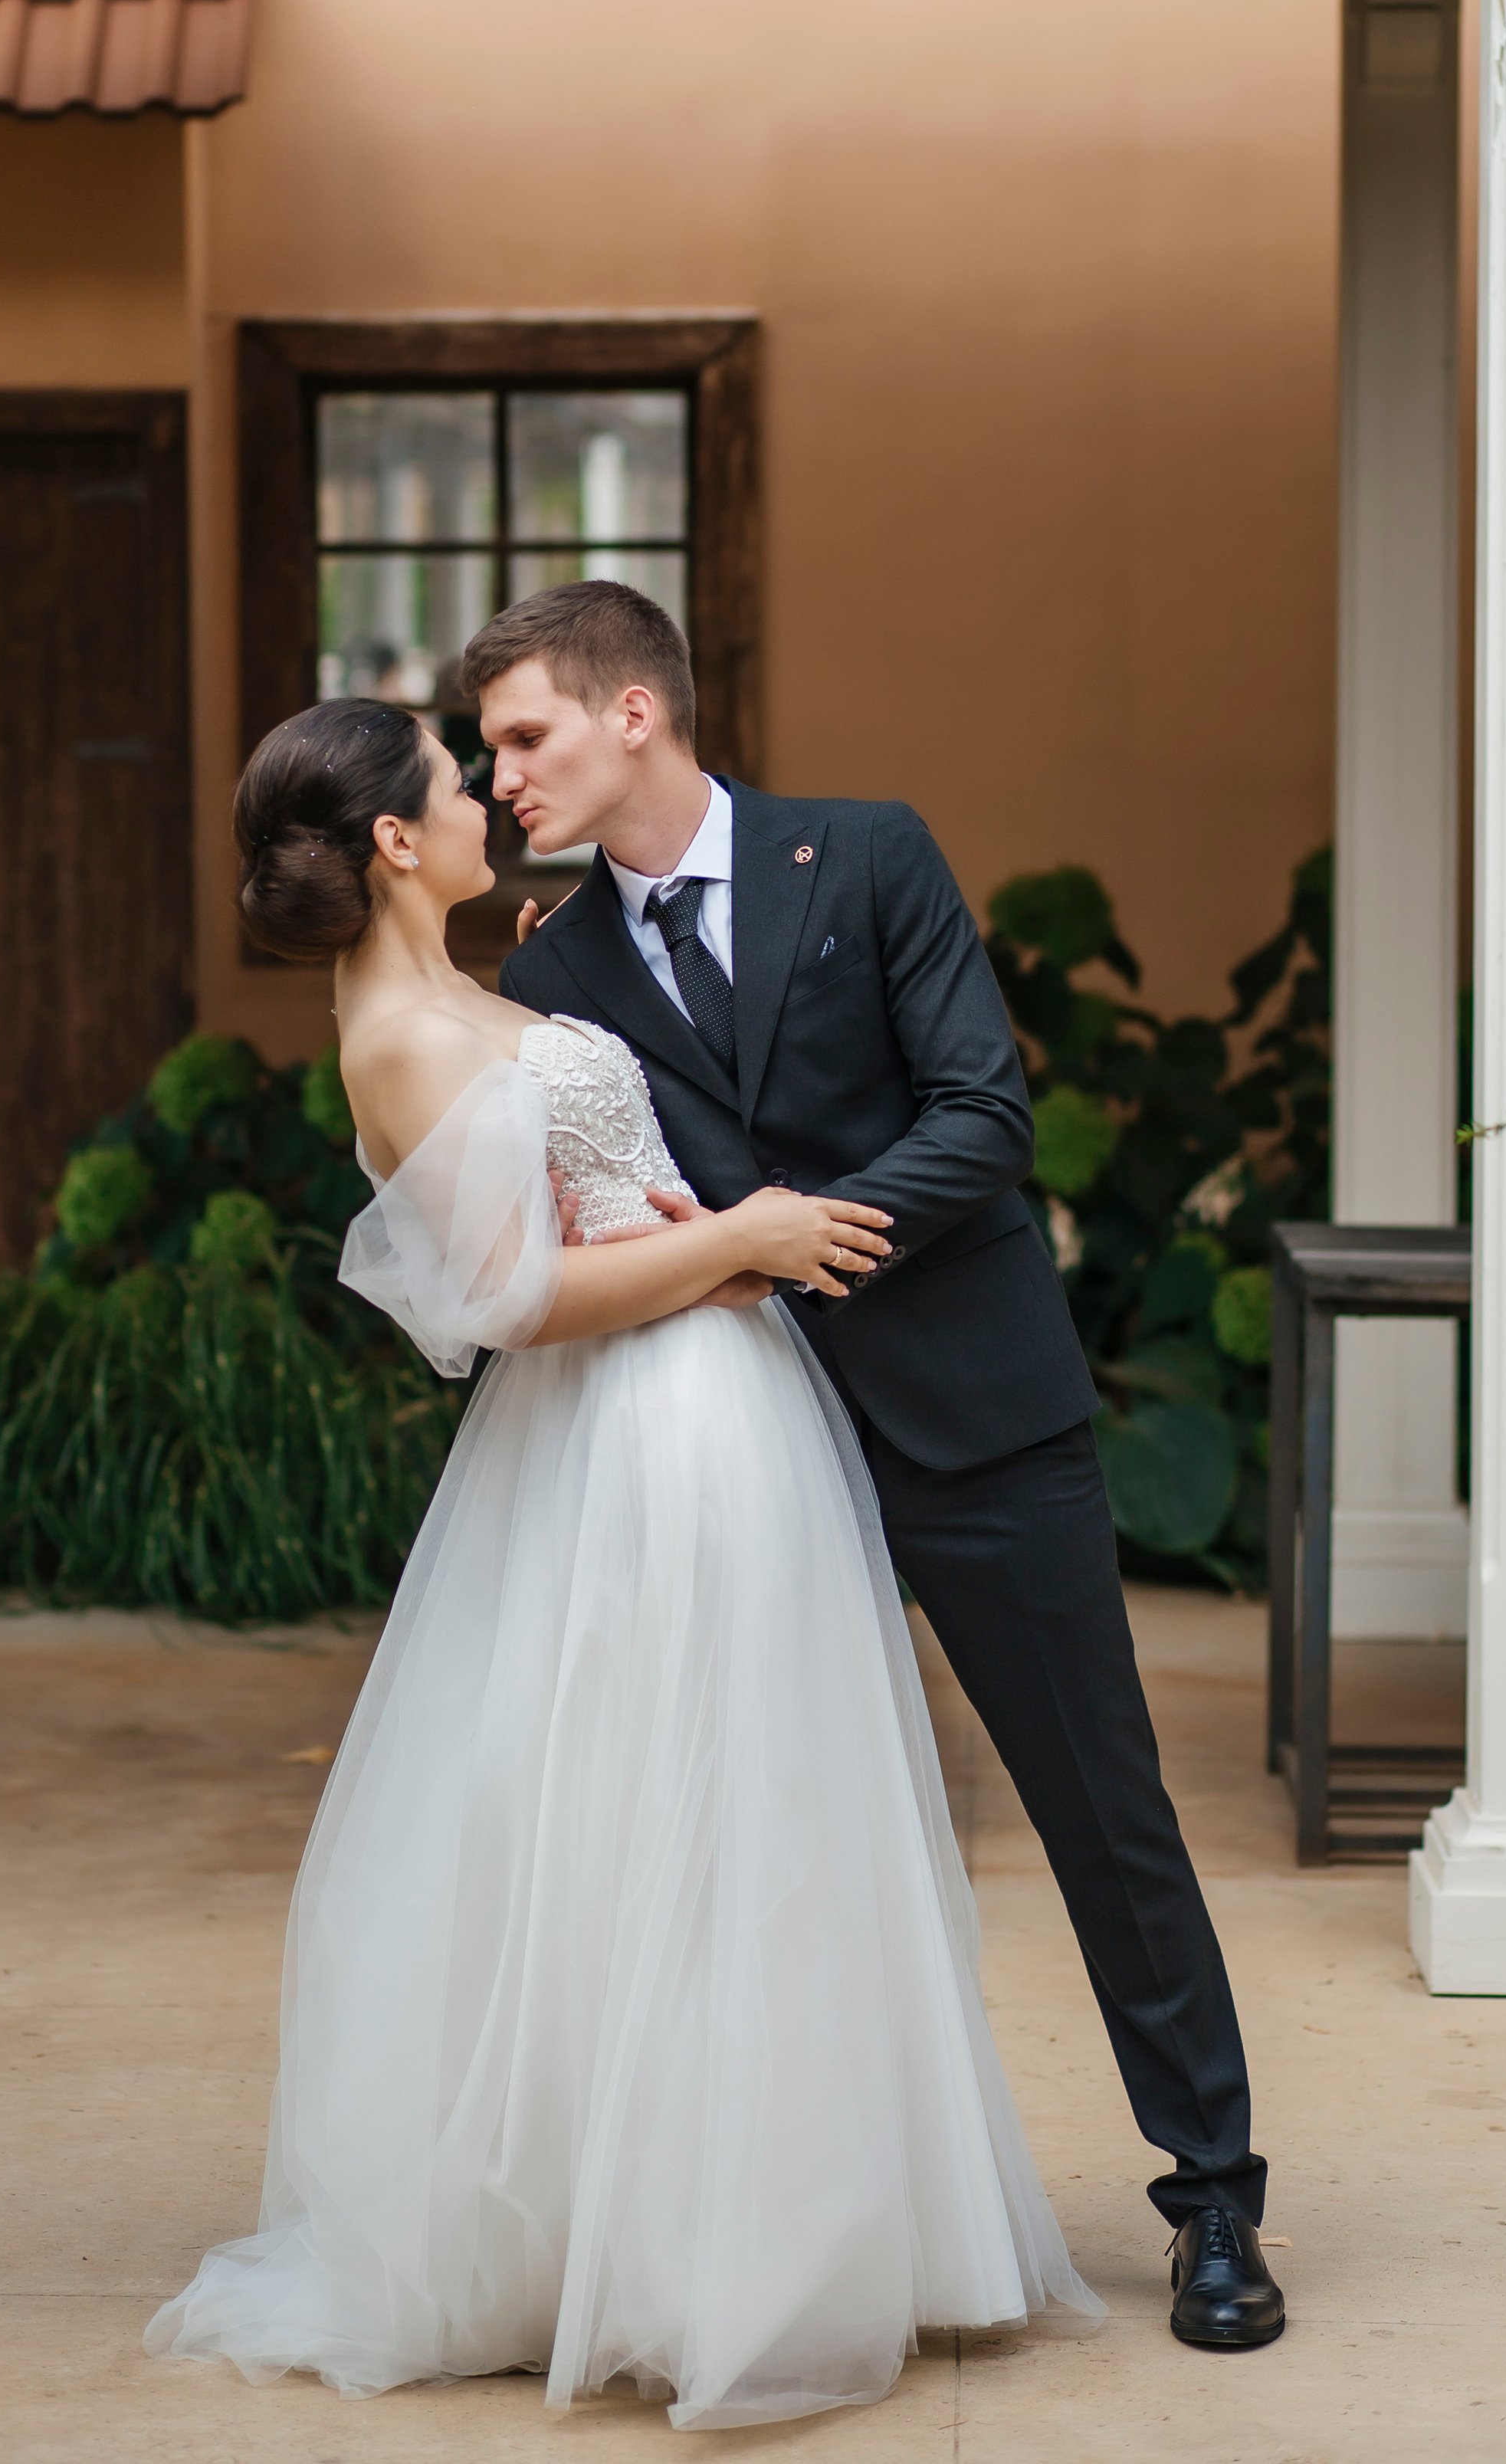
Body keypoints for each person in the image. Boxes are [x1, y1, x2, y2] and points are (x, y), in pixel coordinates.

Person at [146, 692, 1104, 2427]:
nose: (486, 798)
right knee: (674, 1826)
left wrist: (688, 1236)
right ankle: (685, 2251)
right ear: (388, 841)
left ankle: (783, 2218)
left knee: (757, 1820)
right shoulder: (398, 1035)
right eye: (457, 783)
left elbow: (578, 1195)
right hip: (642, 1438)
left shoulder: (469, 983)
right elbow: (507, 1304)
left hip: (713, 1404)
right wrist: (735, 1238)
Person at [480, 579, 1285, 2357]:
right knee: (748, 1849)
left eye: (523, 735)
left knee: (1102, 1809)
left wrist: (785, 1239)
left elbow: (982, 1116)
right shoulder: (545, 972)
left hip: (975, 1417)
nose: (500, 777)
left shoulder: (860, 856)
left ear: (635, 715)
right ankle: (783, 2228)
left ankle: (1212, 2199)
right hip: (729, 1451)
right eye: (483, 751)